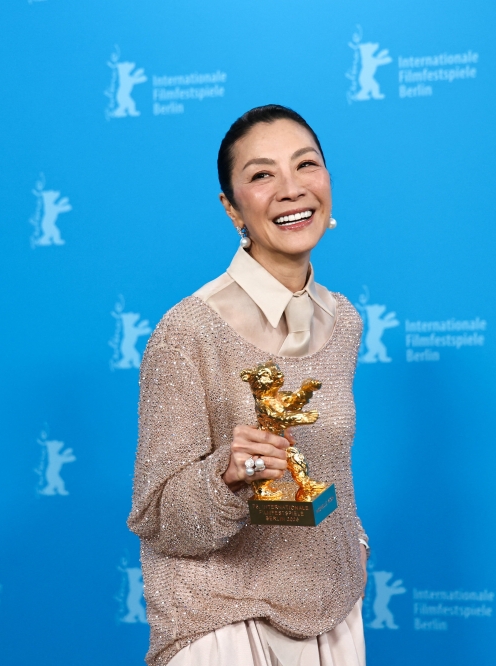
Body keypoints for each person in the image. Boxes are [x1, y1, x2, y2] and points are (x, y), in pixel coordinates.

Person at [128, 105, 369, 666]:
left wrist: (352, 547)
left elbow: (331, 464)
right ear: (231, 207)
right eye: (262, 174)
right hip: (226, 625)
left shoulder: (344, 321)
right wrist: (229, 474)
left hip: (333, 616)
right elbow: (157, 518)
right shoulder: (188, 331)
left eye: (305, 164)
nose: (291, 189)